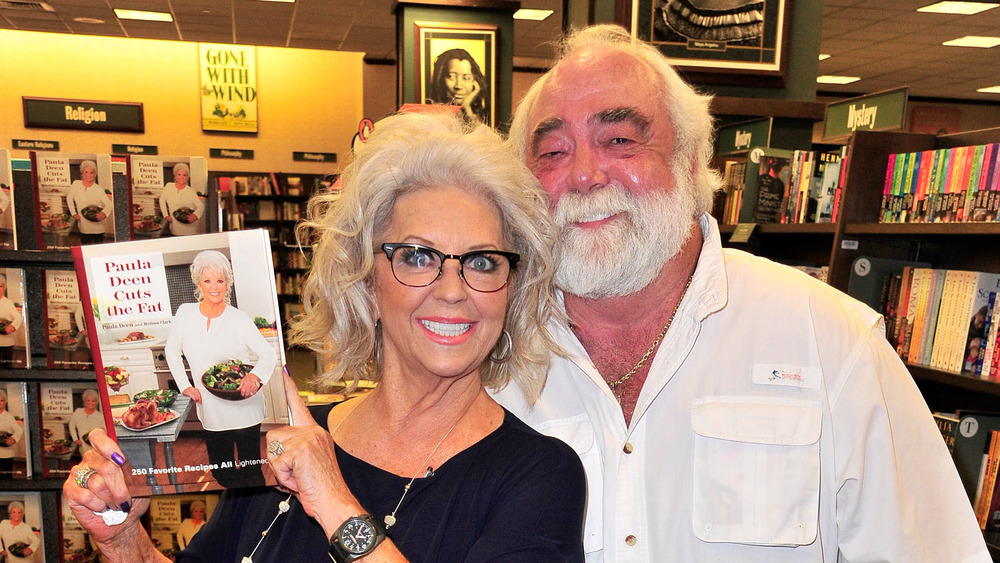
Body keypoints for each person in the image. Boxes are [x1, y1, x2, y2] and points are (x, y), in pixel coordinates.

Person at [492, 24, 991, 562]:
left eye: (619, 141)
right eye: (553, 151)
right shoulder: (491, 354)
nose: (585, 174)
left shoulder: (829, 341)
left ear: (688, 161)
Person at [61, 111, 586, 562]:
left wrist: (332, 500)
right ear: (365, 279)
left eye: (483, 261)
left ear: (511, 288)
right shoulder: (289, 435)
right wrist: (125, 541)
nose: (453, 289)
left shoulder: (539, 477)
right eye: (419, 256)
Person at [166, 250, 277, 488]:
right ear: (199, 283)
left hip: (243, 405)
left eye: (220, 280)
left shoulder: (239, 319)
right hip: (211, 408)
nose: (214, 287)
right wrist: (185, 386)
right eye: (208, 280)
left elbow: (268, 353)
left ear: (228, 283)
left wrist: (255, 376)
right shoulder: (185, 314)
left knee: (251, 473)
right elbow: (172, 352)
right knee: (221, 472)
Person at [428, 48, 490, 125]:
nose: (458, 86)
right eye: (451, 76)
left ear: (475, 82)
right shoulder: (431, 116)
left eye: (466, 78)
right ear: (440, 79)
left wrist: (467, 107)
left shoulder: (480, 114)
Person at [66, 160, 111, 245]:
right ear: (82, 173)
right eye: (86, 172)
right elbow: (69, 198)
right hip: (84, 226)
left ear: (95, 174)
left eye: (92, 172)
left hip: (98, 227)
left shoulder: (98, 189)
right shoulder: (76, 184)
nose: (89, 175)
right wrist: (73, 213)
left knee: (98, 250)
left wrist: (103, 213)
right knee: (86, 247)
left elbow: (109, 205)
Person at [159, 163, 204, 237]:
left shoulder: (190, 191)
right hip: (175, 228)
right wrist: (166, 215)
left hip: (190, 230)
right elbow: (162, 200)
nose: (181, 177)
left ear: (187, 176)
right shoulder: (168, 187)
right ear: (175, 175)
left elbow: (200, 206)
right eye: (179, 174)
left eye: (184, 175)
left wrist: (195, 215)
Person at [69, 389, 106, 456]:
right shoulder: (78, 412)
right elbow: (71, 425)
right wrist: (75, 439)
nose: (90, 403)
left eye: (93, 401)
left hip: (96, 449)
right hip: (82, 448)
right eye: (88, 400)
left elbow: (106, 431)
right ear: (84, 401)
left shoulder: (100, 416)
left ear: (96, 402)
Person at [0, 274, 24, 366]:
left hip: (6, 340)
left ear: (4, 288)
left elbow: (19, 317)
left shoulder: (8, 303)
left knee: (6, 364)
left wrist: (12, 326)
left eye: (0, 286)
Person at [0, 388, 24, 478]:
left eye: (2, 401)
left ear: (4, 402)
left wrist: (13, 439)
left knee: (7, 476)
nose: (0, 403)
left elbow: (19, 430)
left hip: (7, 453)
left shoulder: (8, 416)